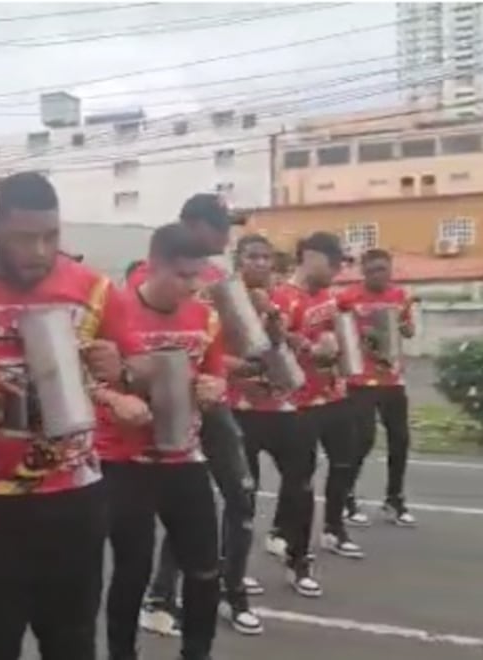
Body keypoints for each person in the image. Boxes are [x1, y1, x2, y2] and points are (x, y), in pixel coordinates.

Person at [0, 171, 141, 660]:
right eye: (25, 238)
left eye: (51, 236)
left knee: (71, 638)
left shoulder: (93, 288)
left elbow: (138, 368)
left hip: (74, 492)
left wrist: (121, 368)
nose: (40, 251)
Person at [98, 223, 226, 660]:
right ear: (154, 265)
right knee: (132, 570)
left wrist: (213, 385)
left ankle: (197, 652)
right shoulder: (112, 311)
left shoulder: (205, 316)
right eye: (183, 276)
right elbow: (79, 377)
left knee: (206, 569)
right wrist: (114, 398)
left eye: (198, 276)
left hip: (185, 457)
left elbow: (215, 369)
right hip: (124, 460)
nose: (192, 287)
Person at [140, 195, 261, 637]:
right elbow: (155, 351)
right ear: (192, 224)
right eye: (218, 226)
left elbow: (233, 347)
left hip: (212, 401)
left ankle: (227, 581)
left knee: (238, 494)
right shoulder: (153, 274)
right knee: (189, 504)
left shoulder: (221, 279)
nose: (226, 236)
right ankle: (162, 594)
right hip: (167, 412)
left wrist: (244, 362)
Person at [224, 235, 318, 598]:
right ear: (238, 260)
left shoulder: (284, 297)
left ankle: (299, 561)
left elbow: (286, 343)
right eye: (253, 257)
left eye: (266, 257)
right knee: (243, 497)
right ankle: (236, 572)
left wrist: (272, 313)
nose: (260, 264)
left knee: (302, 486)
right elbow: (214, 352)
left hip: (282, 407)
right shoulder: (221, 298)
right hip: (239, 408)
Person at [268, 232, 365, 574]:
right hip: (300, 400)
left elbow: (346, 332)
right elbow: (273, 343)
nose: (337, 271)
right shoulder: (282, 297)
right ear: (310, 257)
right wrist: (309, 347)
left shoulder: (331, 297)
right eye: (333, 263)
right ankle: (285, 533)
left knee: (345, 462)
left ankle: (334, 528)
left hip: (334, 393)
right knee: (300, 475)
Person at [339, 249, 417, 527]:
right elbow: (338, 331)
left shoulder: (399, 296)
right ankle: (345, 495)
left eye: (383, 269)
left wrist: (403, 324)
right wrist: (364, 333)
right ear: (363, 271)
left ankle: (394, 499)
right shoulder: (347, 298)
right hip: (360, 380)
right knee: (362, 440)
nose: (378, 275)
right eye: (372, 270)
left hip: (392, 379)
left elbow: (409, 331)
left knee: (400, 439)